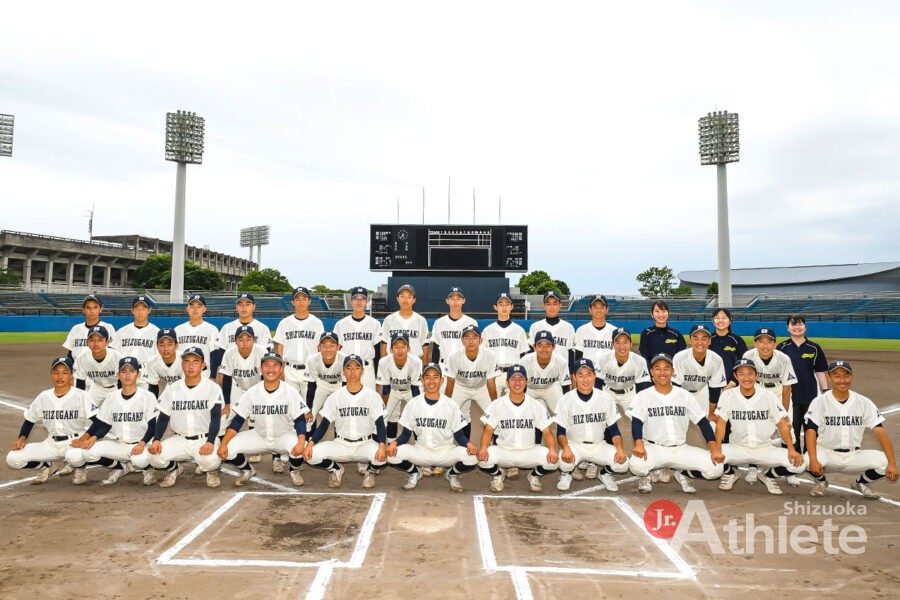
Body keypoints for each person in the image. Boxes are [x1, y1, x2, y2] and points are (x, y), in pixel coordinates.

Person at [628, 353, 723, 494]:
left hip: (680, 449)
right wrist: (639, 443)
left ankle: (682, 472)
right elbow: (636, 422)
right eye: (658, 368)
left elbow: (703, 422)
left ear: (672, 372)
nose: (662, 372)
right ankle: (646, 475)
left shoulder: (684, 395)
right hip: (654, 448)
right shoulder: (643, 395)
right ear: (652, 372)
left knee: (716, 469)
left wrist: (714, 447)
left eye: (666, 368)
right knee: (636, 465)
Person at [805, 360, 899, 499]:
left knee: (886, 462)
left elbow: (880, 432)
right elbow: (810, 431)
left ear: (852, 377)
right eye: (837, 376)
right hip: (827, 454)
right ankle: (821, 482)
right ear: (829, 378)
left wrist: (892, 464)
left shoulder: (863, 402)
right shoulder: (820, 401)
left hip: (853, 456)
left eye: (846, 376)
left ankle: (861, 483)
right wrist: (813, 459)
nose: (842, 380)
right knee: (806, 461)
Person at [713, 359, 805, 495]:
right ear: (736, 376)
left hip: (764, 449)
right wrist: (718, 448)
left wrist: (791, 449)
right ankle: (732, 472)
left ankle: (768, 475)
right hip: (737, 447)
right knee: (710, 463)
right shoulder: (728, 395)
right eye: (742, 374)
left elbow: (782, 424)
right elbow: (721, 424)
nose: (746, 378)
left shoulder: (768, 396)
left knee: (799, 465)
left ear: (756, 376)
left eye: (750, 373)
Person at [218, 352, 309, 487]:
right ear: (261, 369)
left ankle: (294, 470)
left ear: (281, 368)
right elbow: (238, 420)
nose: (270, 369)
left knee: (302, 447)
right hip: (258, 435)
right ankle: (248, 470)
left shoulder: (290, 391)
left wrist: (301, 441)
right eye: (266, 366)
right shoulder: (252, 392)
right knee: (228, 448)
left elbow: (300, 419)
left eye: (275, 366)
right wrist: (224, 443)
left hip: (283, 436)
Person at [65, 357, 159, 486]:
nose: (127, 375)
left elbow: (153, 425)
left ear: (138, 374)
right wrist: (88, 438)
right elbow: (102, 423)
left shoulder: (147, 396)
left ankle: (148, 470)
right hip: (119, 445)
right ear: (118, 374)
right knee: (88, 453)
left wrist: (142, 444)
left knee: (139, 460)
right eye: (123, 371)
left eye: (131, 371)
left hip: (142, 445)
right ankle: (121, 467)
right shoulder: (112, 397)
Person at [386, 362, 479, 492]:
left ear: (441, 380)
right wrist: (394, 443)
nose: (431, 381)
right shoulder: (414, 403)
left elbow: (459, 435)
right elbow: (406, 435)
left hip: (445, 451)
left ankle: (452, 474)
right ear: (422, 380)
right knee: (391, 455)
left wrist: (468, 444)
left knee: (473, 457)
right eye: (427, 377)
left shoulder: (451, 405)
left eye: (435, 377)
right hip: (421, 451)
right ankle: (415, 472)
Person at [303, 354, 388, 489]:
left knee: (383, 457)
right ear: (343, 371)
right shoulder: (336, 396)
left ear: (362, 371)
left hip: (364, 444)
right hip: (341, 444)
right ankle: (336, 468)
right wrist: (311, 443)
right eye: (348, 368)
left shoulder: (372, 396)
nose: (353, 371)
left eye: (357, 367)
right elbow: (324, 425)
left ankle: (369, 472)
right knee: (310, 456)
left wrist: (383, 445)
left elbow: (380, 424)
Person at [6, 357, 93, 484]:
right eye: (56, 372)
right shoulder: (44, 396)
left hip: (74, 442)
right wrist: (21, 440)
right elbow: (30, 419)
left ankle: (79, 468)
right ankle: (46, 466)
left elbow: (98, 421)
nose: (60, 376)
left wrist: (84, 439)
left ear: (71, 376)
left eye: (65, 372)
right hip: (50, 443)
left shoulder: (81, 395)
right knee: (12, 459)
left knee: (74, 457)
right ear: (51, 375)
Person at [147, 346, 223, 488]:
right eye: (187, 362)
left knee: (209, 460)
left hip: (204, 439)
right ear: (182, 365)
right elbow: (163, 417)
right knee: (154, 457)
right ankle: (175, 469)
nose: (190, 366)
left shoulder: (212, 387)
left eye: (195, 362)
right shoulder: (172, 388)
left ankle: (211, 471)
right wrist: (156, 439)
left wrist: (210, 441)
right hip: (180, 439)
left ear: (203, 365)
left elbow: (216, 417)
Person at [477, 365, 559, 493]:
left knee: (554, 462)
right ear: (507, 382)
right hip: (505, 451)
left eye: (521, 379)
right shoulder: (497, 404)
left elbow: (547, 432)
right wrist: (483, 448)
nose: (517, 382)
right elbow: (488, 431)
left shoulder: (535, 405)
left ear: (526, 381)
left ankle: (534, 475)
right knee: (482, 459)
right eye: (513, 379)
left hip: (528, 451)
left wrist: (553, 449)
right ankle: (498, 475)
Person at [555, 358, 628, 492]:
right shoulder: (565, 400)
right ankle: (567, 473)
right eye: (581, 375)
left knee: (623, 464)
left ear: (594, 376)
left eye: (589, 375)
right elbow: (560, 432)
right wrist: (565, 447)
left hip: (598, 445)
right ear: (574, 377)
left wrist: (620, 449)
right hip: (575, 445)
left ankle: (604, 473)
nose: (585, 379)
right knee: (564, 462)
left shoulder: (605, 398)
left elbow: (614, 430)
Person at [742, 327, 799, 485]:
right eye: (760, 341)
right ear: (755, 343)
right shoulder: (749, 356)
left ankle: (788, 469)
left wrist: (785, 412)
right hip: (757, 390)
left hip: (778, 391)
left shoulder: (783, 358)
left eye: (769, 341)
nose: (765, 345)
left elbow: (787, 387)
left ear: (775, 344)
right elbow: (746, 380)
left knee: (787, 430)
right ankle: (753, 467)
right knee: (755, 430)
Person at [777, 315, 829, 452]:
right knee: (790, 429)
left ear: (805, 327)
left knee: (811, 429)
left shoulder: (814, 348)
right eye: (793, 324)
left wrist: (826, 391)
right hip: (789, 397)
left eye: (800, 324)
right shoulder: (782, 348)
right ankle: (793, 458)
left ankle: (809, 457)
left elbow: (820, 371)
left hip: (810, 395)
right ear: (787, 328)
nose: (797, 327)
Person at [444, 324, 500, 435]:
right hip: (460, 387)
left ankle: (495, 444)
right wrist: (447, 403)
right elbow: (450, 382)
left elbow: (491, 383)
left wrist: (495, 404)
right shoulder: (454, 356)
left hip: (481, 388)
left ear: (481, 340)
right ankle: (462, 445)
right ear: (462, 341)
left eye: (474, 338)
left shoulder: (489, 355)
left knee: (494, 415)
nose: (471, 341)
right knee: (448, 414)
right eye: (467, 338)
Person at [273, 286, 325, 397]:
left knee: (309, 407)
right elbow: (280, 346)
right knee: (291, 406)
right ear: (292, 302)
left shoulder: (317, 323)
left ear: (309, 301)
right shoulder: (284, 323)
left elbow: (320, 347)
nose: (301, 302)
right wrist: (280, 368)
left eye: (304, 299)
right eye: (297, 299)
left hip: (310, 369)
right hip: (289, 370)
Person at [672, 324, 728, 423]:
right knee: (678, 423)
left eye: (704, 338)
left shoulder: (716, 359)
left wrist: (711, 413)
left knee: (711, 425)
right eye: (696, 338)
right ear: (690, 340)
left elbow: (715, 389)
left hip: (702, 392)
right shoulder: (680, 358)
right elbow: (675, 386)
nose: (700, 342)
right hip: (682, 392)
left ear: (710, 341)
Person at [375, 332, 423, 442]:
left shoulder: (416, 362)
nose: (400, 350)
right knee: (386, 417)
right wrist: (383, 408)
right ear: (391, 349)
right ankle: (390, 444)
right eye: (396, 347)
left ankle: (419, 444)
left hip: (410, 390)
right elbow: (385, 388)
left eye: (403, 347)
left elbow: (416, 388)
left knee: (417, 417)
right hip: (393, 390)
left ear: (408, 348)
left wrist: (417, 408)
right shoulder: (384, 362)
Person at [333, 286, 382, 389]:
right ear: (351, 301)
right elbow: (336, 351)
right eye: (356, 299)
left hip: (367, 369)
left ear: (366, 301)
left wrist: (378, 376)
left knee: (369, 402)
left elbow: (378, 353)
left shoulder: (375, 324)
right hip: (347, 368)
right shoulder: (341, 324)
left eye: (362, 299)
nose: (359, 302)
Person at [482, 292, 529, 397]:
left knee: (512, 406)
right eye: (501, 304)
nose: (504, 307)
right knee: (493, 407)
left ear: (511, 307)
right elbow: (483, 355)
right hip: (494, 374)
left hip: (513, 374)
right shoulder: (487, 330)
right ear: (495, 307)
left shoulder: (519, 330)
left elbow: (524, 356)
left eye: (507, 304)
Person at [595, 327, 652, 414]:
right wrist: (599, 402)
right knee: (604, 420)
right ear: (612, 344)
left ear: (631, 344)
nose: (622, 346)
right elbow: (597, 382)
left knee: (638, 417)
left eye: (625, 342)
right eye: (617, 342)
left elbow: (643, 385)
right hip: (608, 392)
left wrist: (640, 404)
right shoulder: (603, 359)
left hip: (629, 394)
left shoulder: (639, 361)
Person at [520, 330, 571, 416]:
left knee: (563, 413)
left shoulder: (561, 362)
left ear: (553, 347)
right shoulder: (525, 361)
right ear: (534, 347)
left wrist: (565, 406)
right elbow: (521, 386)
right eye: (540, 345)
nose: (544, 349)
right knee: (524, 414)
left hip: (550, 388)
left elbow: (565, 385)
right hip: (530, 389)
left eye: (548, 345)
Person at [73, 325, 124, 408]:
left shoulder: (117, 357)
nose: (96, 344)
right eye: (92, 340)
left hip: (115, 388)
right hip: (97, 388)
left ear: (107, 342)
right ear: (87, 342)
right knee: (84, 409)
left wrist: (120, 397)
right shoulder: (82, 358)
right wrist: (81, 402)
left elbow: (123, 381)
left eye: (100, 340)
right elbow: (80, 383)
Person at [304, 331, 347, 426]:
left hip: (339, 386)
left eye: (332, 345)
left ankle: (339, 438)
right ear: (319, 347)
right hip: (322, 385)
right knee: (310, 415)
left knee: (342, 414)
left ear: (338, 347)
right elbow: (311, 385)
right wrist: (309, 408)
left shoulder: (344, 359)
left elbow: (345, 385)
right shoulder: (312, 360)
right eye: (324, 345)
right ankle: (308, 438)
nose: (328, 349)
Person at [429, 287, 478, 369]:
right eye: (452, 299)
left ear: (463, 300)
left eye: (458, 299)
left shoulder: (471, 322)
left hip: (465, 366)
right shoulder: (439, 323)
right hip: (444, 366)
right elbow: (436, 349)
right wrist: (435, 368)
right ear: (447, 301)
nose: (455, 302)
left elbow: (475, 348)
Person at [528, 290, 576, 371]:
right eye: (548, 304)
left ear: (560, 305)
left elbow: (571, 353)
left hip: (562, 372)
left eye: (555, 304)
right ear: (544, 305)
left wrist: (571, 373)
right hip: (540, 372)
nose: (551, 307)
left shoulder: (568, 327)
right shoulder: (535, 327)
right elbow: (531, 352)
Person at [174, 294, 220, 378]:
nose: (195, 309)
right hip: (181, 373)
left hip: (204, 373)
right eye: (191, 306)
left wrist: (213, 376)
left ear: (204, 309)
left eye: (199, 306)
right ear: (187, 309)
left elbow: (215, 354)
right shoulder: (178, 330)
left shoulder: (212, 329)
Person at [379, 284, 430, 360]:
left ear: (414, 300)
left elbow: (425, 348)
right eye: (402, 296)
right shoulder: (389, 320)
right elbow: (384, 346)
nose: (405, 300)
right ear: (397, 298)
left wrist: (423, 370)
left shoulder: (421, 320)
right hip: (392, 364)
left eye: (409, 297)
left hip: (415, 365)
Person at [63, 294, 117, 360]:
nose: (92, 311)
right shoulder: (75, 329)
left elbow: (112, 352)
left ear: (101, 309)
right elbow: (70, 354)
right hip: (78, 368)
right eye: (88, 308)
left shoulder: (108, 328)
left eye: (95, 307)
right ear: (83, 310)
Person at [115, 295, 160, 372]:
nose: (140, 312)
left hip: (146, 371)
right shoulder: (121, 331)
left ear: (149, 310)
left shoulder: (157, 332)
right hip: (124, 371)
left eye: (143, 308)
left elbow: (158, 358)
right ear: (132, 310)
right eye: (137, 309)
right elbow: (114, 353)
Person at [638, 300, 686, 369]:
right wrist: (652, 374)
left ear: (668, 314)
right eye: (657, 311)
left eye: (663, 311)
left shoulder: (676, 334)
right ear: (652, 314)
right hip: (652, 375)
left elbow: (681, 357)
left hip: (673, 375)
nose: (661, 314)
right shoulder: (646, 333)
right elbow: (645, 358)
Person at [709, 307, 748, 388]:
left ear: (730, 320)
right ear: (712, 321)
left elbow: (743, 364)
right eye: (717, 318)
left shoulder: (737, 340)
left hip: (733, 385)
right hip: (710, 385)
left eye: (724, 318)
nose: (720, 320)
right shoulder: (707, 339)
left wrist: (732, 383)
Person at [573, 294, 617, 365]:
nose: (599, 310)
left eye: (602, 307)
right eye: (595, 307)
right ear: (590, 310)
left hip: (607, 374)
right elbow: (578, 356)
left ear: (607, 310)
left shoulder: (614, 331)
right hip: (587, 373)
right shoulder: (581, 330)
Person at [140, 328, 185, 397]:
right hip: (165, 391)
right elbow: (153, 387)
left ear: (176, 345)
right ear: (157, 346)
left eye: (169, 344)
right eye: (162, 345)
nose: (165, 348)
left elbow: (188, 385)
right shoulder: (152, 362)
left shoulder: (185, 360)